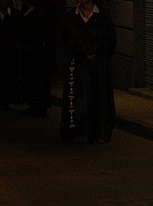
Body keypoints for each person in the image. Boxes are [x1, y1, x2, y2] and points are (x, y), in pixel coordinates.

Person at [60, 0, 115, 144]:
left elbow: (110, 42)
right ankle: (73, 130)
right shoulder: (72, 17)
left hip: (97, 67)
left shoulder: (103, 17)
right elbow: (66, 41)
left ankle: (94, 132)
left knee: (96, 98)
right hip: (77, 65)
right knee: (76, 98)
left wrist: (98, 55)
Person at [18, 0, 50, 116]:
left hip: (34, 54)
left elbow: (37, 34)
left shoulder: (36, 14)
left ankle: (37, 106)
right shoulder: (32, 13)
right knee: (32, 80)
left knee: (35, 80)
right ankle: (34, 105)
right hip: (33, 53)